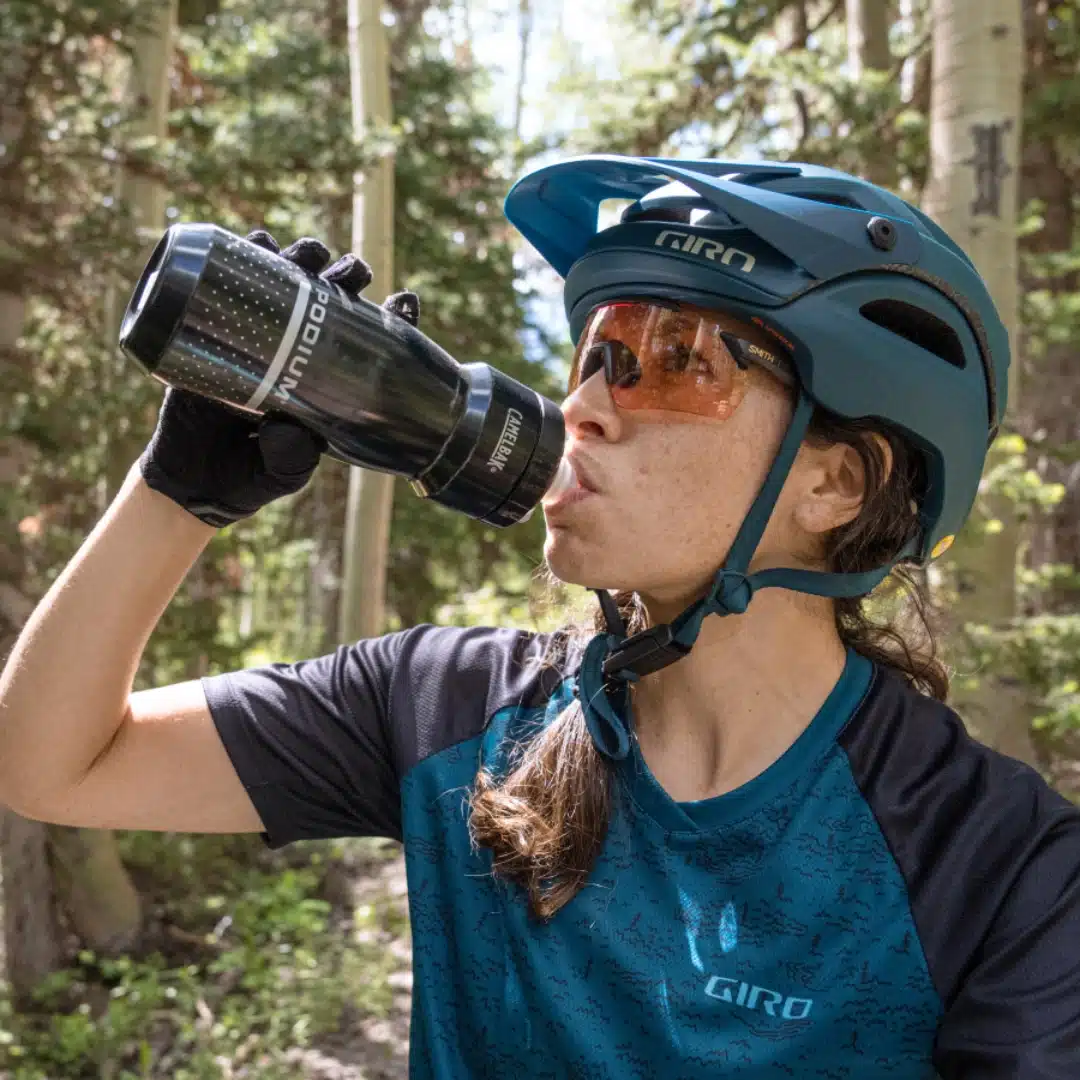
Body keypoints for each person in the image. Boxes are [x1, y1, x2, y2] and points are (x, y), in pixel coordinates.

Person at [1, 156, 1078, 1079]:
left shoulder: (999, 864)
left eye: (672, 358)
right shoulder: (446, 706)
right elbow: (51, 762)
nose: (585, 406)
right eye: (594, 355)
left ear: (837, 484)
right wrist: (178, 492)